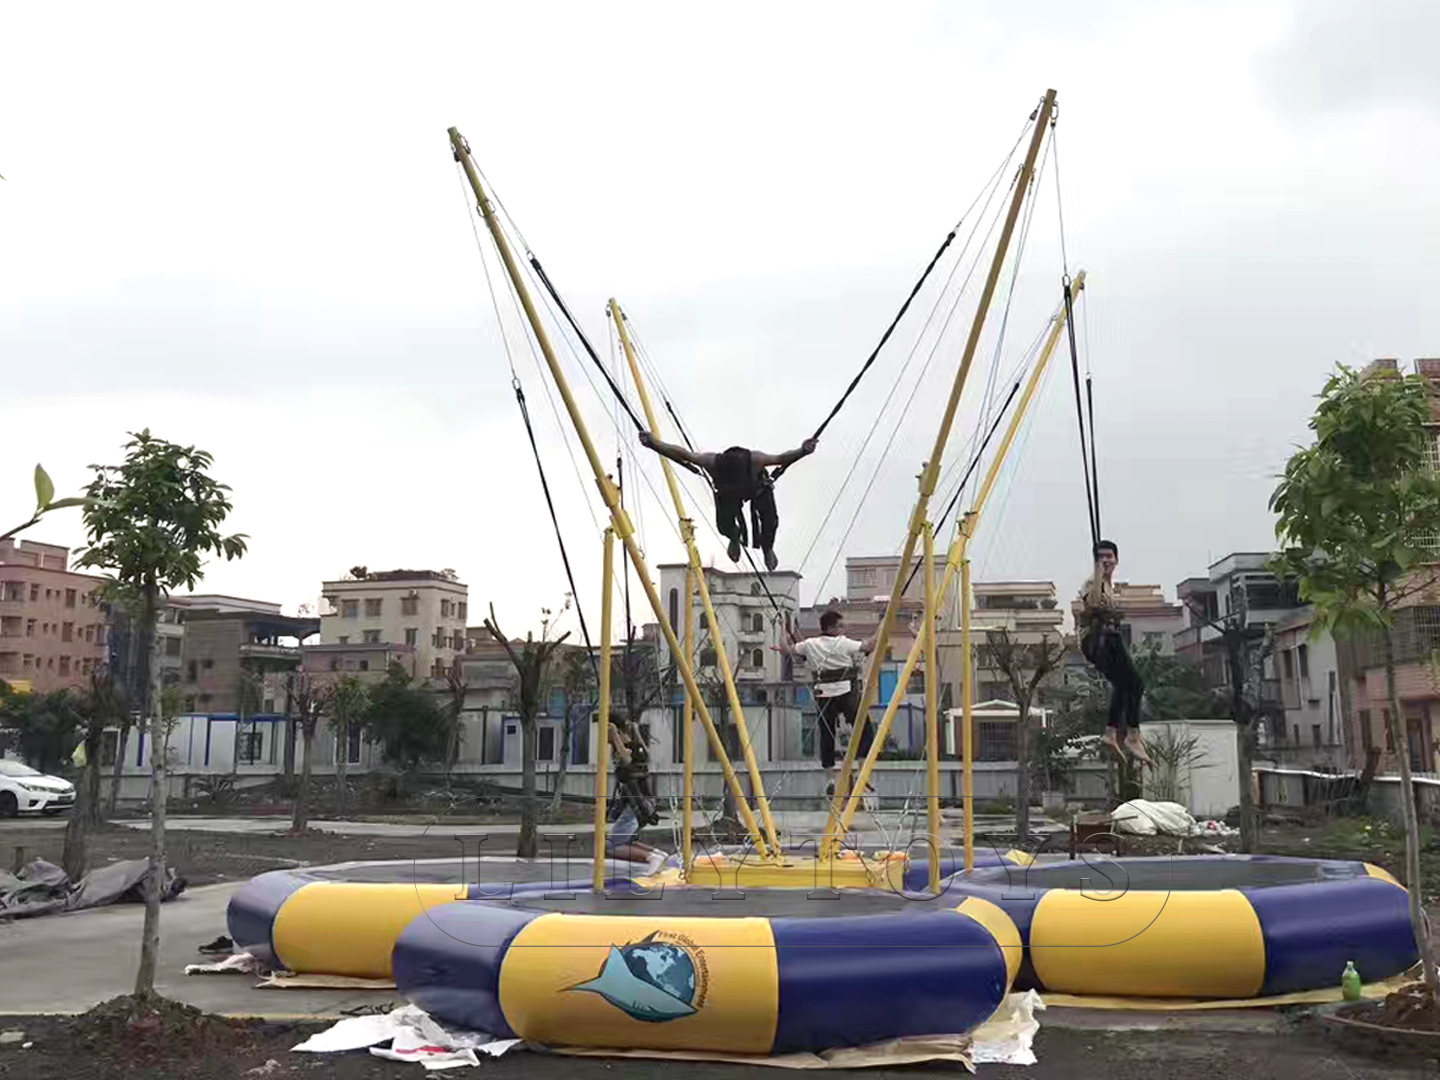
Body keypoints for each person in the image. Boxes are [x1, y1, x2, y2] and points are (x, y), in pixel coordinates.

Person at [638, 431, 818, 571]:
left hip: (758, 490)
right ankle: (734, 535)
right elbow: (683, 454)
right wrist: (654, 444)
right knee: (724, 525)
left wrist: (802, 450)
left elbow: (781, 458)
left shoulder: (756, 460)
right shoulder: (711, 462)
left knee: (770, 521)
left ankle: (767, 547)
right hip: (728, 495)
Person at [782, 610, 884, 806]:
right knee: (863, 728)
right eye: (840, 626)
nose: (842, 629)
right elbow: (869, 645)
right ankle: (863, 771)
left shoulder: (809, 644)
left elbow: (787, 649)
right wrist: (882, 625)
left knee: (826, 734)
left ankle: (829, 776)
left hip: (823, 694)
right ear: (831, 628)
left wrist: (780, 627)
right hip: (846, 692)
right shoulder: (843, 642)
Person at [1077, 539, 1153, 767]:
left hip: (1105, 640)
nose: (1106, 561)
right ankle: (1132, 736)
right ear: (1096, 562)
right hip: (1099, 641)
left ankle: (1111, 733)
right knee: (1136, 685)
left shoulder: (1108, 585)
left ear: (1116, 559)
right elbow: (1091, 605)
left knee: (1124, 685)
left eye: (1109, 556)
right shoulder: (1093, 581)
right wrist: (1098, 575)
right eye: (1101, 557)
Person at [606, 717, 674, 874]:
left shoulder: (627, 748)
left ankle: (651, 857)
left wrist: (614, 734)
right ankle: (659, 854)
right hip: (641, 802)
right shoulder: (638, 747)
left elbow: (627, 759)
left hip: (635, 803)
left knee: (612, 845)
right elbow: (639, 753)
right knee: (628, 840)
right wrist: (634, 731)